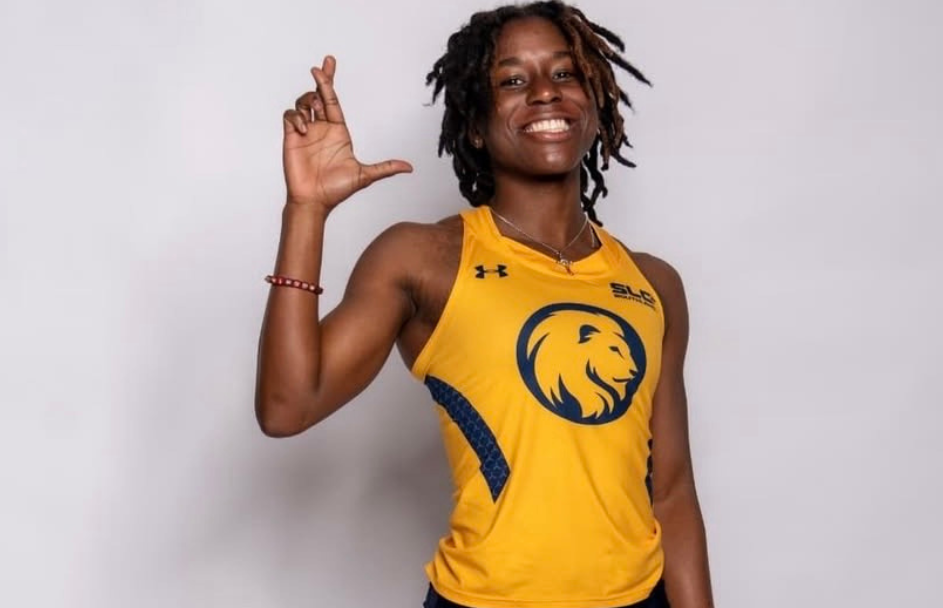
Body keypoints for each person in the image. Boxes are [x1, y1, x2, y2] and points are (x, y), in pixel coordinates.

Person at [256, 2, 714, 607]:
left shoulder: (654, 283)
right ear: (475, 123)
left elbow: (673, 492)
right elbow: (288, 407)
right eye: (513, 81)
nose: (546, 94)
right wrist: (307, 212)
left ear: (596, 104)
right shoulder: (425, 257)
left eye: (565, 73)